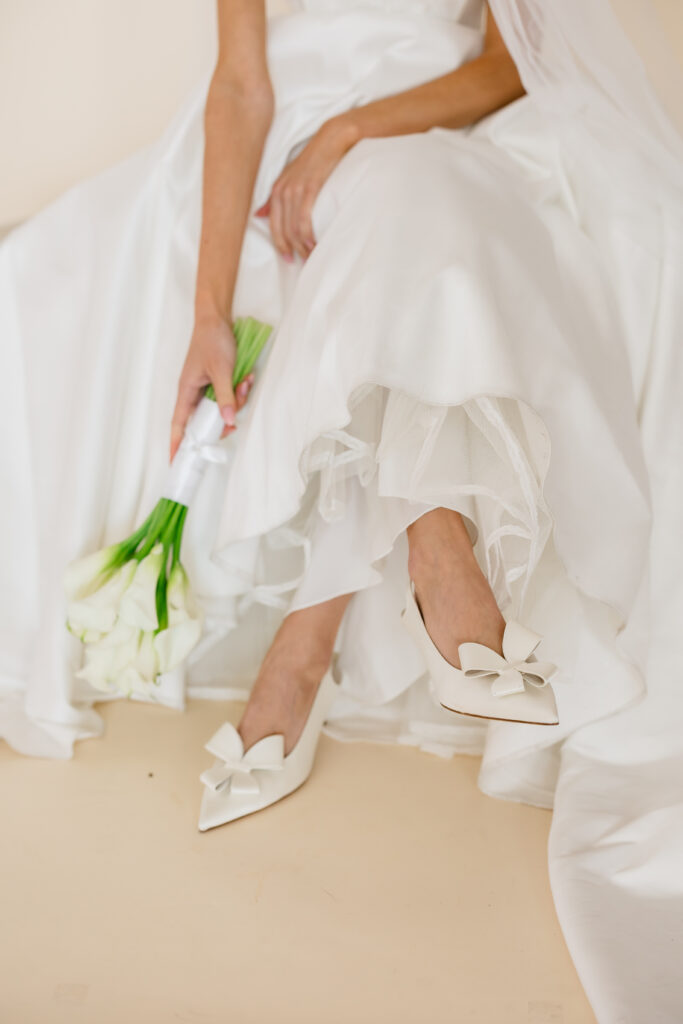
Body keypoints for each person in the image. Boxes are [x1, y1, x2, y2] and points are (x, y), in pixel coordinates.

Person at [0, 0, 671, 830]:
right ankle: (439, 553)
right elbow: (241, 85)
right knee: (404, 207)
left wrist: (354, 130)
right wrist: (209, 313)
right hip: (299, 134)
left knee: (419, 190)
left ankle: (304, 647)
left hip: (442, 118)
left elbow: (506, 63)